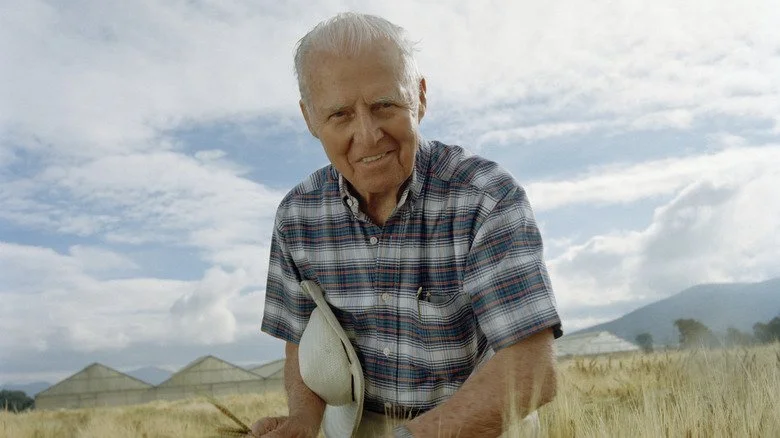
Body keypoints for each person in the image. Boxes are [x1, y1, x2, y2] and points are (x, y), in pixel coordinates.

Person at [253, 12, 563, 438]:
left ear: (419, 97)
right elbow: (300, 338)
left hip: (482, 420)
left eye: (385, 105)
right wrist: (305, 420)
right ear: (309, 119)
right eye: (340, 115)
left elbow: (532, 370)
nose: (368, 135)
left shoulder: (485, 198)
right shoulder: (296, 217)